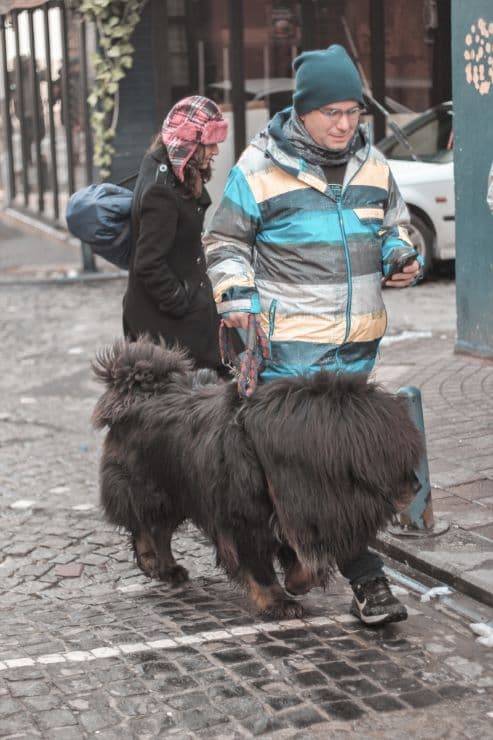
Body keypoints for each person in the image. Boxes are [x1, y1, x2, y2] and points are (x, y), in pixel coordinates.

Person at [204, 45, 421, 626]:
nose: (345, 124)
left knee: (342, 470)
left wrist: (401, 252)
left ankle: (307, 552)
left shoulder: (373, 167)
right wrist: (237, 297)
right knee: (323, 471)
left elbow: (393, 225)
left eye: (354, 112)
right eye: (332, 112)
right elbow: (225, 241)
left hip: (355, 354)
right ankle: (368, 581)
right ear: (303, 111)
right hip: (290, 356)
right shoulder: (257, 168)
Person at [123, 95, 228, 372]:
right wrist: (182, 302)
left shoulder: (169, 167)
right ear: (189, 142)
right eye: (210, 143)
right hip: (167, 325)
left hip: (175, 316)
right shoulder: (163, 189)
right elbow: (148, 262)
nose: (216, 151)